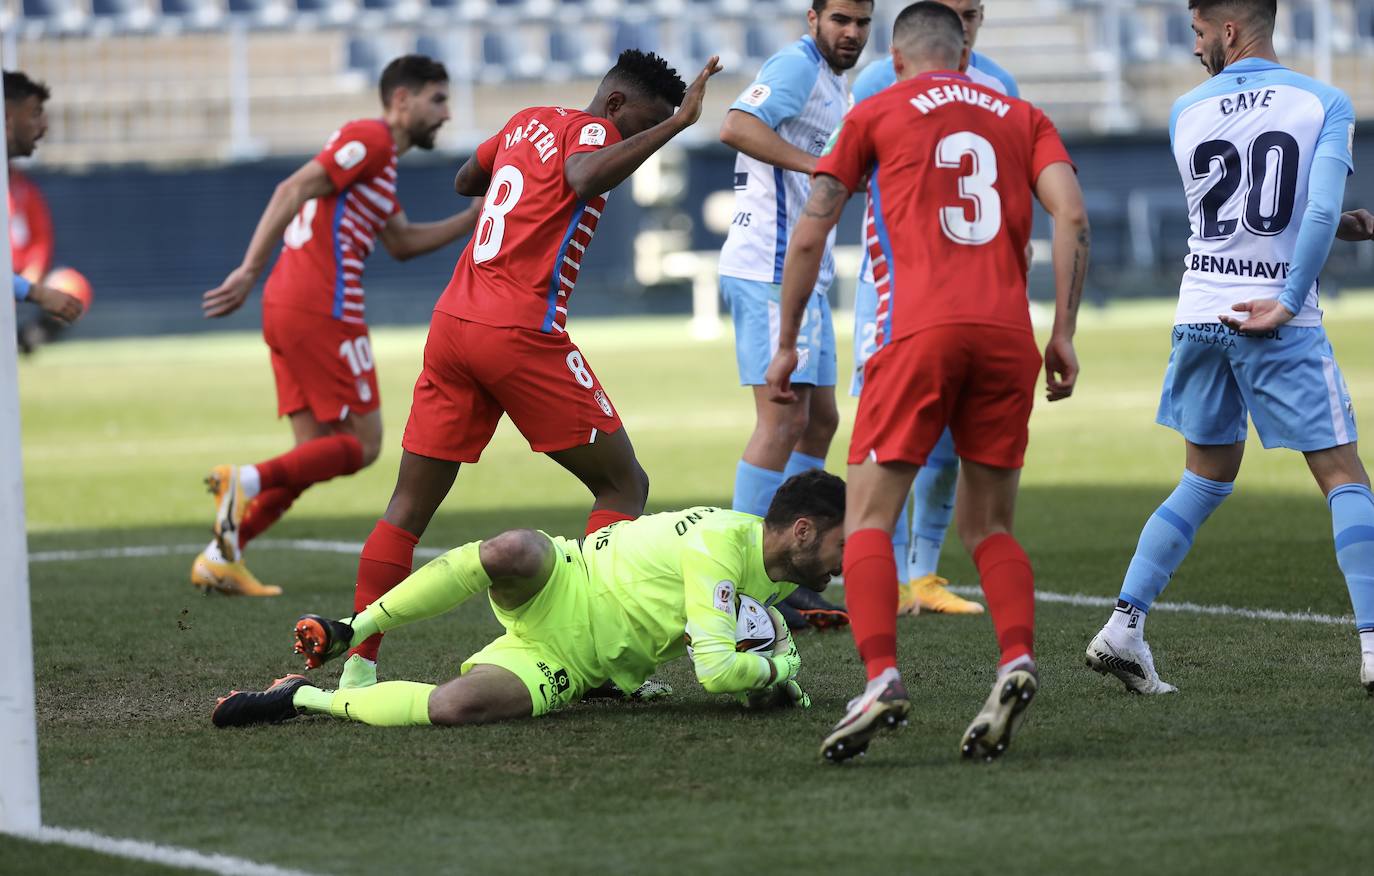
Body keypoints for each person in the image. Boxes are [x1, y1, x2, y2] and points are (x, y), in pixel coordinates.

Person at [325, 51, 724, 691]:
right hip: (519, 332)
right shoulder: (592, 131)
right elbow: (588, 175)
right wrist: (676, 124)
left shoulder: (527, 120)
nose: (634, 147)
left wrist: (521, 176)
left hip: (453, 324)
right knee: (624, 487)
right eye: (635, 129)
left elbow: (464, 178)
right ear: (617, 105)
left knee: (406, 507)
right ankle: (597, 658)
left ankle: (358, 667)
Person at [765, 1, 1089, 762]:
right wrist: (1063, 332)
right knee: (991, 528)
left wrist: (786, 343)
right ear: (963, 52)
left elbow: (813, 227)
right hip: (1008, 336)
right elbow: (1071, 218)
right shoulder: (1021, 113)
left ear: (901, 58)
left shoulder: (876, 107)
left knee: (871, 518)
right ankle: (1014, 658)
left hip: (916, 331)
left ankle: (881, 677)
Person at [1084, 0, 1374, 696]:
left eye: (1198, 32)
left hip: (1200, 314)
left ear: (1230, 30)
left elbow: (1237, 210)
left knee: (1205, 478)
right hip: (1275, 319)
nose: (1194, 47)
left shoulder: (1188, 111)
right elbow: (1316, 207)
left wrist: (1321, 235)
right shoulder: (1325, 101)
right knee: (1344, 477)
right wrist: (1289, 290)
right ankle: (1373, 646)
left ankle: (1124, 627)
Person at [210, 470, 843, 729]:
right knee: (515, 548)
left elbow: (740, 648)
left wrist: (768, 666)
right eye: (843, 543)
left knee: (458, 709)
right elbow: (715, 672)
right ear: (804, 530)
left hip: (578, 662)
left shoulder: (779, 572)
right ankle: (353, 626)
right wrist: (781, 667)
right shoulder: (718, 546)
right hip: (572, 577)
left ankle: (300, 695)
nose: (847, 561)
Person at [196, 55, 481, 597]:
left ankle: (222, 552)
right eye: (437, 99)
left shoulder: (380, 166)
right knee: (365, 443)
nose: (446, 114)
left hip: (292, 303)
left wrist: (471, 219)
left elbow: (399, 243)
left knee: (313, 454)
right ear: (402, 100)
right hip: (323, 304)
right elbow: (292, 188)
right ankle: (243, 481)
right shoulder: (370, 138)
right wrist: (249, 268)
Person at [848, 0, 1017, 616]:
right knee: (886, 428)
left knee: (949, 439)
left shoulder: (1000, 84)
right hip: (893, 286)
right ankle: (888, 577)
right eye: (956, 12)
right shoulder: (877, 80)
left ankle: (923, 575)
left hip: (971, 290)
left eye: (974, 12)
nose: (966, 22)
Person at [717, 0, 872, 631]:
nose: (852, 33)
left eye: (862, 22)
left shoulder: (834, 82)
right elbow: (734, 125)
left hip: (802, 273)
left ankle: (796, 563)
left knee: (820, 420)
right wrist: (818, 165)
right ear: (813, 18)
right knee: (783, 419)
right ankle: (742, 582)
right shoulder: (796, 66)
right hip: (770, 267)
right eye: (840, 19)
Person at [5, 71, 83, 328]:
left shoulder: (22, 186)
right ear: (6, 118)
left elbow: (41, 239)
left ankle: (31, 338)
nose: (44, 125)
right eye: (35, 113)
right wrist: (35, 292)